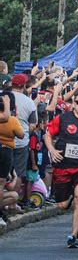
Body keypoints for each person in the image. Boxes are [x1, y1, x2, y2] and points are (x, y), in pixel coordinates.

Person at [45, 91, 78, 248]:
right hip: (63, 165)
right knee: (62, 205)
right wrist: (52, 150)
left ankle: (73, 235)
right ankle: (77, 206)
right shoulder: (63, 118)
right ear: (73, 104)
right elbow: (47, 135)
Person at [10, 74, 38, 201]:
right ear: (24, 86)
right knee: (19, 172)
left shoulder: (3, 97)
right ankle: (12, 203)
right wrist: (24, 131)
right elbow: (33, 125)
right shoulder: (29, 102)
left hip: (3, 140)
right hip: (21, 142)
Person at [0, 93, 24, 226]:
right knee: (1, 184)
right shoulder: (12, 119)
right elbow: (21, 135)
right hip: (5, 150)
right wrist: (16, 117)